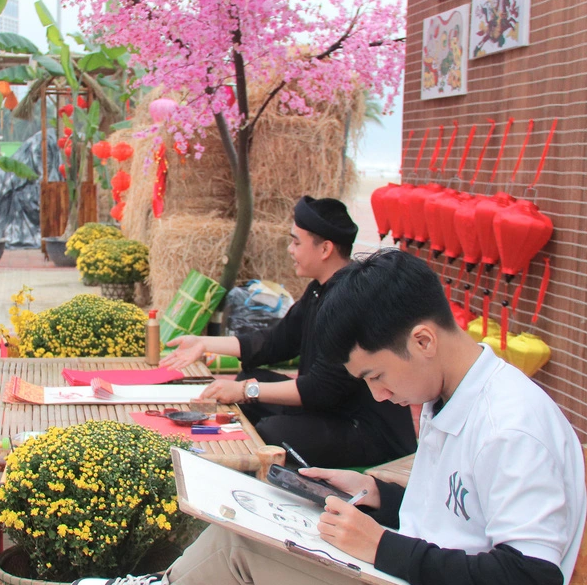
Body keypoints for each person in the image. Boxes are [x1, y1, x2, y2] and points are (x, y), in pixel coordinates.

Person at [68, 248, 587, 585]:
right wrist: (376, 493)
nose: (379, 396)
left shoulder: (511, 428)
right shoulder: (447, 392)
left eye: (375, 376)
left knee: (244, 538)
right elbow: (465, 513)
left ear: (423, 340)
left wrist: (381, 546)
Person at [162, 197, 416, 468]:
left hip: (363, 427)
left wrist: (246, 390)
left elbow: (320, 388)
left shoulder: (354, 298)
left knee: (273, 430)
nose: (290, 249)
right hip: (328, 408)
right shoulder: (320, 289)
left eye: (296, 242)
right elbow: (275, 342)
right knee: (250, 378)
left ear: (325, 249)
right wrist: (204, 343)